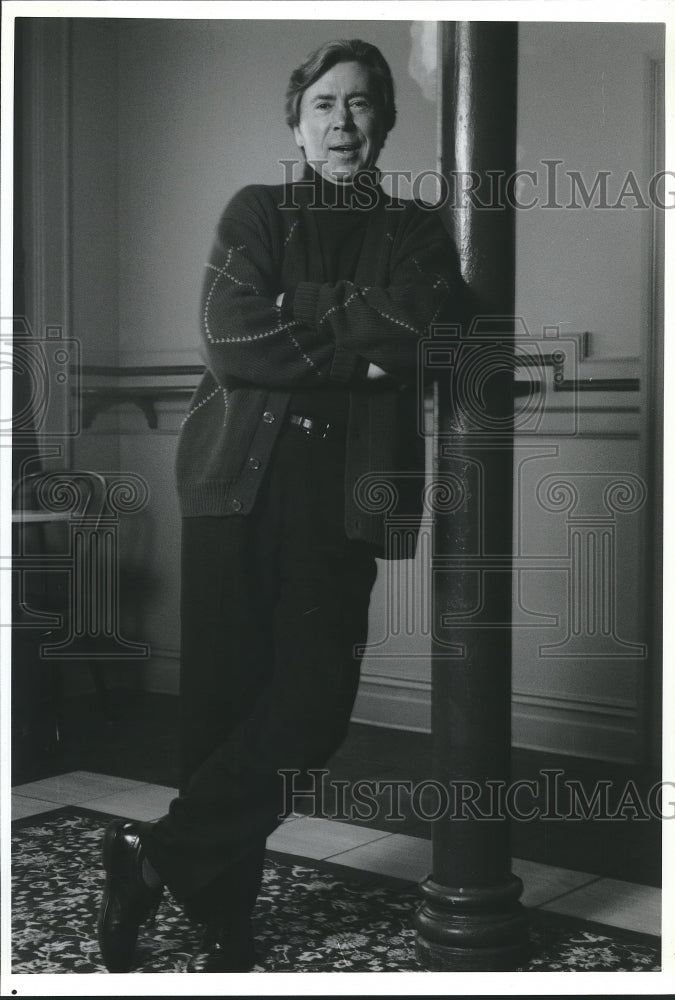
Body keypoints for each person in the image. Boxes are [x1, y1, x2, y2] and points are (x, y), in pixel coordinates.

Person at [97, 37, 459, 974]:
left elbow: (430, 326)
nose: (344, 121)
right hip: (233, 489)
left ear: (384, 120)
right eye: (326, 104)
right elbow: (231, 339)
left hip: (341, 501)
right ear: (296, 121)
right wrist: (359, 338)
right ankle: (225, 918)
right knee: (220, 710)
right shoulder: (253, 212)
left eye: (364, 104)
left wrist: (306, 308)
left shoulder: (420, 231)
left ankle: (150, 861)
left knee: (309, 713)